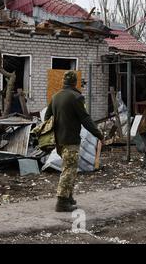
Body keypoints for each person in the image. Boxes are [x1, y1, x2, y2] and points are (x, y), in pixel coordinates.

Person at [45, 71, 104, 213]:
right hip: (71, 140)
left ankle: (69, 197)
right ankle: (62, 202)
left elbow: (47, 117)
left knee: (68, 168)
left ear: (63, 81)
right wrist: (99, 134)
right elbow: (85, 119)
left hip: (59, 141)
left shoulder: (55, 97)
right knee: (69, 170)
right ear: (74, 82)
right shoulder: (76, 97)